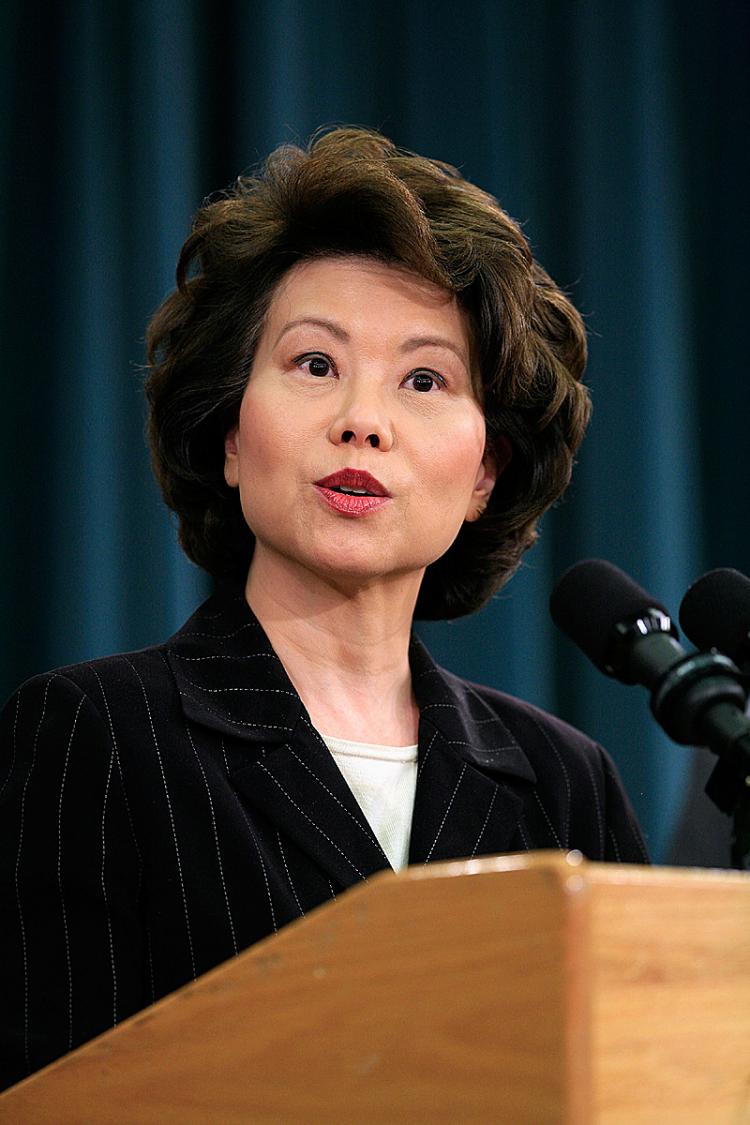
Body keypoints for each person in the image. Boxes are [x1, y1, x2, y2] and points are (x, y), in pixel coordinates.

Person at [0, 127, 647, 1090]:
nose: (363, 419)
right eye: (314, 364)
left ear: (484, 474)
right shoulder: (96, 738)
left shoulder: (563, 783)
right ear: (228, 433)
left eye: (424, 379)